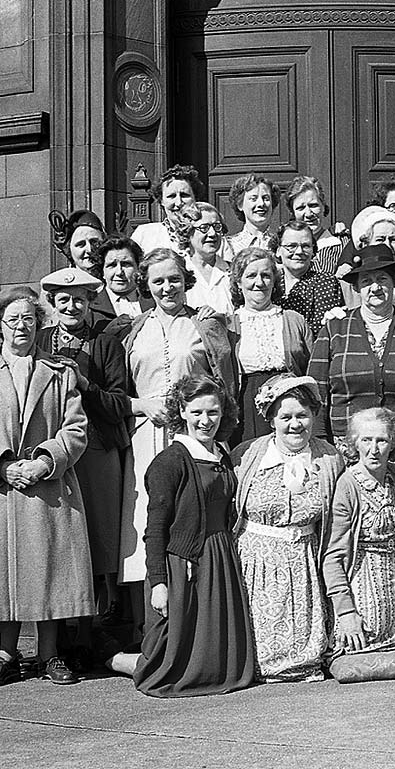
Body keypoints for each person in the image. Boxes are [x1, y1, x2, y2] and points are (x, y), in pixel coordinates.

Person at [0, 286, 92, 687]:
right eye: (12, 320)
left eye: (29, 319)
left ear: (40, 324)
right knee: (2, 571)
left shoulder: (60, 373)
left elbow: (76, 428)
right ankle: (6, 656)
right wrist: (4, 465)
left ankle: (50, 656)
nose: (21, 328)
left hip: (48, 487)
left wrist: (46, 460)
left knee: (50, 570)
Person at [108, 375, 257, 697]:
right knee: (175, 661)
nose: (206, 421)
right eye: (197, 412)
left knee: (219, 658)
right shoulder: (170, 462)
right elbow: (156, 529)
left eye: (213, 412)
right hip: (187, 560)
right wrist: (159, 582)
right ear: (182, 412)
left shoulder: (222, 454)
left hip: (221, 557)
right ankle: (122, 660)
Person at [119, 248, 237, 588]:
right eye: (158, 281)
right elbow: (120, 386)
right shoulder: (133, 329)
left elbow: (225, 382)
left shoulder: (205, 324)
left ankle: (199, 597)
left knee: (193, 512)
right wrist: (140, 405)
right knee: (150, 514)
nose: (167, 287)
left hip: (197, 431)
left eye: (174, 279)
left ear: (186, 281)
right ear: (146, 285)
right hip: (146, 433)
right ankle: (149, 605)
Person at [37, 267, 133, 667]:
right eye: (63, 299)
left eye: (79, 298)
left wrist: (83, 383)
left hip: (95, 449)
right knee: (57, 538)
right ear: (53, 303)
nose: (71, 305)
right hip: (51, 449)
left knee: (96, 540)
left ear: (91, 301)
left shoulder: (105, 343)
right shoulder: (40, 341)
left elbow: (118, 402)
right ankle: (56, 638)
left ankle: (92, 633)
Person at [231, 374, 344, 681]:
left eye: (302, 416)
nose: (295, 424)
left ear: (313, 417)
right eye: (286, 417)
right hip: (257, 559)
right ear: (271, 420)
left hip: (304, 557)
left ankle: (303, 663)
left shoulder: (330, 457)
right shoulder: (247, 454)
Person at [308, 245, 395, 444]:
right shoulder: (334, 329)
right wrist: (319, 440)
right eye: (366, 281)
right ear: (356, 288)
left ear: (394, 283)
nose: (375, 287)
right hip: (348, 444)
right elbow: (316, 390)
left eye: (382, 279)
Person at [322, 408, 395, 655]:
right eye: (366, 440)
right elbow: (333, 558)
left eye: (381, 440)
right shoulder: (347, 485)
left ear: (391, 443)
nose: (374, 449)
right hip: (360, 594)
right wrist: (347, 613)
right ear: (354, 444)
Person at [226, 247, 312, 443]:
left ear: (274, 281)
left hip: (289, 404)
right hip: (246, 407)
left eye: (266, 275)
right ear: (239, 282)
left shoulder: (294, 320)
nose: (259, 282)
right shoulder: (229, 325)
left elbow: (311, 367)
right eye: (251, 276)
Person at [274, 221, 345, 334]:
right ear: (278, 251)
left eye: (306, 246)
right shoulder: (270, 283)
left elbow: (322, 330)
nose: (299, 252)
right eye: (291, 246)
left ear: (313, 251)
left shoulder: (325, 282)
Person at [132, 164, 205, 254]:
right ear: (161, 200)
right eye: (171, 196)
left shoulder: (210, 234)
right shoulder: (144, 235)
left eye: (184, 195)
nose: (179, 203)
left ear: (195, 198)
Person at [178, 202, 234, 315]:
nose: (213, 233)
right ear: (188, 232)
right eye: (204, 228)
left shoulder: (232, 272)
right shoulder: (179, 272)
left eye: (217, 227)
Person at [286, 175, 345, 275]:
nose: (308, 214)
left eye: (313, 205)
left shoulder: (340, 242)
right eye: (301, 208)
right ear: (293, 213)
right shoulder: (286, 247)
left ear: (323, 206)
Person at [93, 236, 152, 336]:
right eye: (112, 265)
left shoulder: (153, 301)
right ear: (102, 271)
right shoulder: (90, 306)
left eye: (126, 264)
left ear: (138, 268)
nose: (119, 272)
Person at [225, 173, 280, 253]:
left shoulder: (282, 243)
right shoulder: (229, 245)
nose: (261, 203)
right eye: (253, 199)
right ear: (240, 205)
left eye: (266, 198)